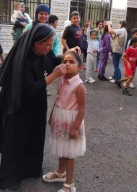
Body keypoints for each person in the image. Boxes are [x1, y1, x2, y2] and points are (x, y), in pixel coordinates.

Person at [0, 23, 80, 191]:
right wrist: (53, 75)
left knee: (34, 134)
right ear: (36, 43)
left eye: (51, 44)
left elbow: (52, 60)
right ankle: (10, 177)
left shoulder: (43, 51)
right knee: (17, 139)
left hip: (35, 103)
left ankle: (30, 168)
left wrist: (68, 55)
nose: (49, 47)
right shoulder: (23, 60)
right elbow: (28, 88)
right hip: (18, 105)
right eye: (47, 44)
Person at [42, 51, 86, 192]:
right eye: (64, 61)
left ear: (80, 67)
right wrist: (52, 116)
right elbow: (58, 98)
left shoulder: (79, 86)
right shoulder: (61, 80)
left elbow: (82, 108)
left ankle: (69, 184)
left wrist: (75, 128)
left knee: (69, 154)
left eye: (71, 62)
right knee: (62, 150)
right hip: (60, 120)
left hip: (71, 122)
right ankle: (61, 172)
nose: (67, 64)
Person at [23, 5, 55, 97]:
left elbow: (53, 44)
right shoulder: (30, 26)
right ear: (37, 14)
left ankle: (43, 87)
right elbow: (23, 41)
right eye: (41, 13)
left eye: (46, 14)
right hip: (31, 57)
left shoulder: (51, 28)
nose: (44, 16)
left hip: (44, 55)